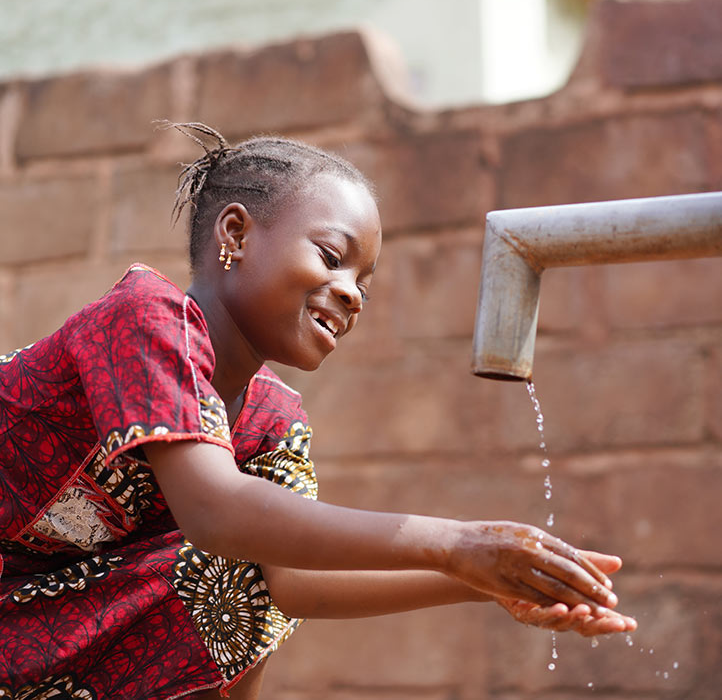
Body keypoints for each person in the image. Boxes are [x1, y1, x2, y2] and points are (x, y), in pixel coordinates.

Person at [0, 122, 636, 700]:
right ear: (236, 233)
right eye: (332, 257)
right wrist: (457, 541)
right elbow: (219, 515)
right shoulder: (145, 316)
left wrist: (486, 580)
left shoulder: (272, 418)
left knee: (241, 589)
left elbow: (288, 580)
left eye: (364, 280)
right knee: (224, 559)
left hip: (33, 616)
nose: (351, 294)